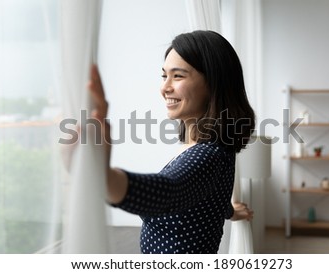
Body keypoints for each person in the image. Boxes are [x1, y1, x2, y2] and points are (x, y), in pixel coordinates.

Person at [88, 30, 256, 254]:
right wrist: (229, 211)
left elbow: (169, 191)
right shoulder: (208, 147)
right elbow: (200, 197)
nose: (165, 87)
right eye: (164, 75)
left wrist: (104, 176)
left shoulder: (208, 155)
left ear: (213, 83)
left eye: (178, 76)